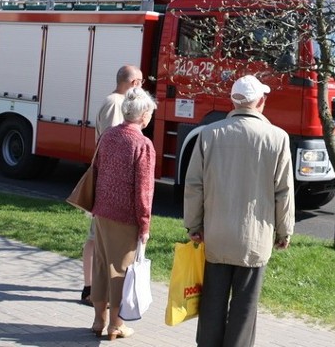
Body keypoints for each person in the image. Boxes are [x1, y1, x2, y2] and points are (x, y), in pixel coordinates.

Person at [184, 75, 295, 347]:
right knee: (245, 307)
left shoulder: (208, 134)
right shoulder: (277, 137)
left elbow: (194, 185)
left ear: (232, 100)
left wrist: (193, 225)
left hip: (216, 234)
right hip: (254, 237)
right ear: (260, 101)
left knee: (212, 302)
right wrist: (284, 230)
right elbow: (284, 191)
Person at [90, 87, 157, 340]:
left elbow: (96, 169)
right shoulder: (143, 144)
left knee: (100, 265)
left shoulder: (108, 135)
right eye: (149, 112)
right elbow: (144, 191)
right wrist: (145, 225)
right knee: (121, 270)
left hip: (102, 211)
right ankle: (116, 325)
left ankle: (98, 320)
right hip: (125, 216)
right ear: (144, 115)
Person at [80, 65, 144, 306]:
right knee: (96, 238)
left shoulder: (115, 102)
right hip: (107, 183)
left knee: (97, 237)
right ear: (134, 83)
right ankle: (91, 289)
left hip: (106, 182)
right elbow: (110, 144)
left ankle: (92, 288)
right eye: (141, 81)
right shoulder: (116, 104)